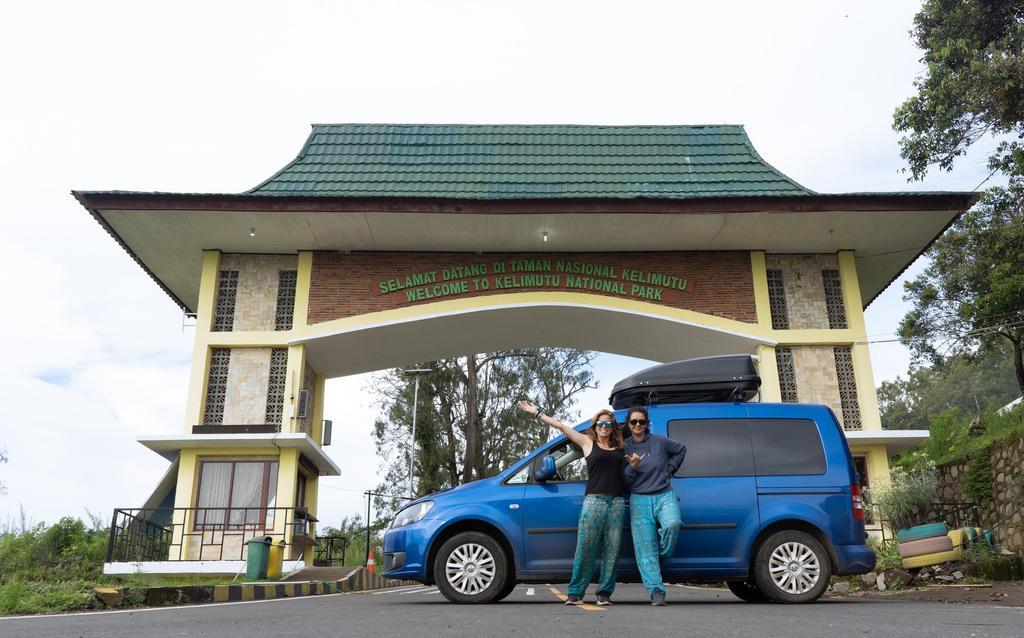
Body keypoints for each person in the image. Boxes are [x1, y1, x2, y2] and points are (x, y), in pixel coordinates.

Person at [518, 400, 626, 607]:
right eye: (600, 424)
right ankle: (575, 593)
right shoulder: (587, 443)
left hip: (617, 503)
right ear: (594, 427)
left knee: (612, 550)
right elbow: (562, 427)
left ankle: (604, 594)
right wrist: (537, 413)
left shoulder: (620, 448)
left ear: (613, 428)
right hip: (594, 502)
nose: (604, 428)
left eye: (608, 425)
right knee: (585, 548)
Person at [623, 406, 686, 606]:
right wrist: (632, 467)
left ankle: (660, 555)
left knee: (673, 524)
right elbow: (624, 480)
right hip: (638, 499)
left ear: (647, 423)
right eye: (634, 422)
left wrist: (671, 468)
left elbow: (681, 450)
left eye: (641, 421)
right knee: (644, 548)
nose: (638, 425)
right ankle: (656, 592)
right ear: (628, 424)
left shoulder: (659, 442)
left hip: (664, 494)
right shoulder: (624, 447)